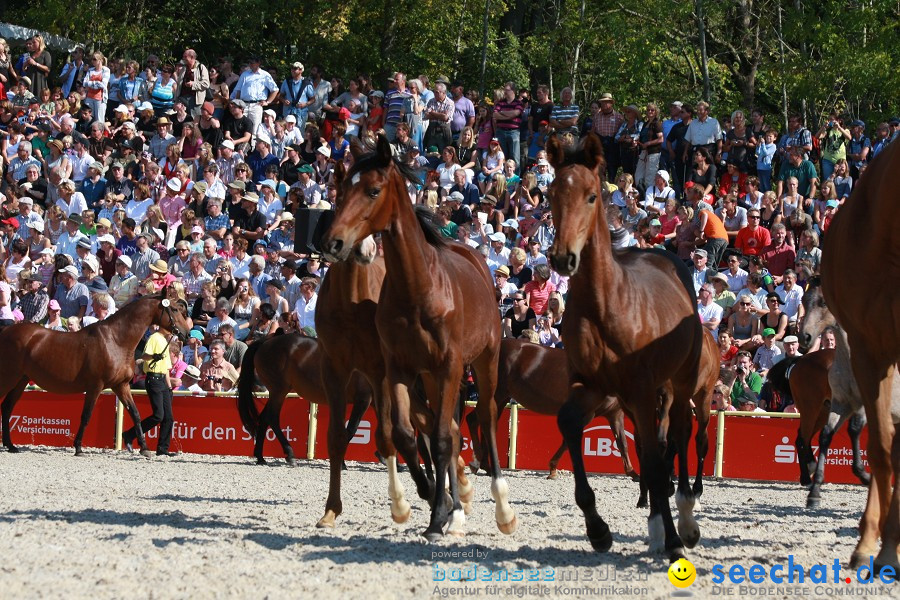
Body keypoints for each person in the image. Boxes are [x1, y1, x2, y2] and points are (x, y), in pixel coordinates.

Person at [122, 325, 177, 456]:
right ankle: (130, 434)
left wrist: (169, 387)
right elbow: (145, 356)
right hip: (153, 378)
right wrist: (154, 356)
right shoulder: (154, 338)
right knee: (158, 415)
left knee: (168, 418)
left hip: (162, 380)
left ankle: (163, 449)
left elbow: (166, 368)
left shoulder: (164, 340)